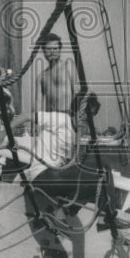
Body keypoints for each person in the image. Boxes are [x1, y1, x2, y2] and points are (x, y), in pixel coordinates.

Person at [32, 33, 76, 169]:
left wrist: (78, 122)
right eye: (48, 49)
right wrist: (36, 127)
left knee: (67, 159)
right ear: (43, 51)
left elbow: (77, 93)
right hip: (50, 122)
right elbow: (38, 104)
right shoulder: (41, 77)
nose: (52, 52)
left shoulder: (69, 67)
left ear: (60, 49)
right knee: (43, 160)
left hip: (68, 119)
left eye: (55, 48)